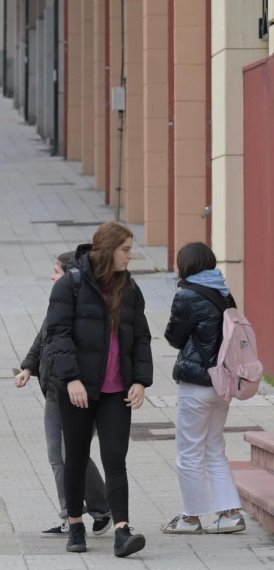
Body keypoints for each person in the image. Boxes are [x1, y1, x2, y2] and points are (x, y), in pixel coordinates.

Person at [43, 222, 153, 557]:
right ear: (107, 251)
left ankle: (122, 530)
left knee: (115, 458)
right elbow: (57, 334)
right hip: (77, 389)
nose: (130, 256)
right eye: (125, 250)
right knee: (74, 457)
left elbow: (141, 338)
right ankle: (76, 524)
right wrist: (71, 377)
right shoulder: (70, 285)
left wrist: (139, 381)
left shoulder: (129, 288)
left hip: (116, 390)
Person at [16, 251, 112, 538]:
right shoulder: (60, 299)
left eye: (55, 271)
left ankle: (95, 510)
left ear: (70, 274)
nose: (51, 276)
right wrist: (28, 367)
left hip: (79, 391)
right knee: (58, 455)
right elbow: (45, 336)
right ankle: (73, 514)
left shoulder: (80, 301)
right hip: (54, 391)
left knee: (73, 453)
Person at [160, 242, 247, 534]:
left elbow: (174, 336)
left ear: (185, 265)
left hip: (197, 383)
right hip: (223, 383)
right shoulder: (224, 291)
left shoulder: (186, 295)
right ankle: (230, 514)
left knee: (189, 451)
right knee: (214, 448)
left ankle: (191, 517)